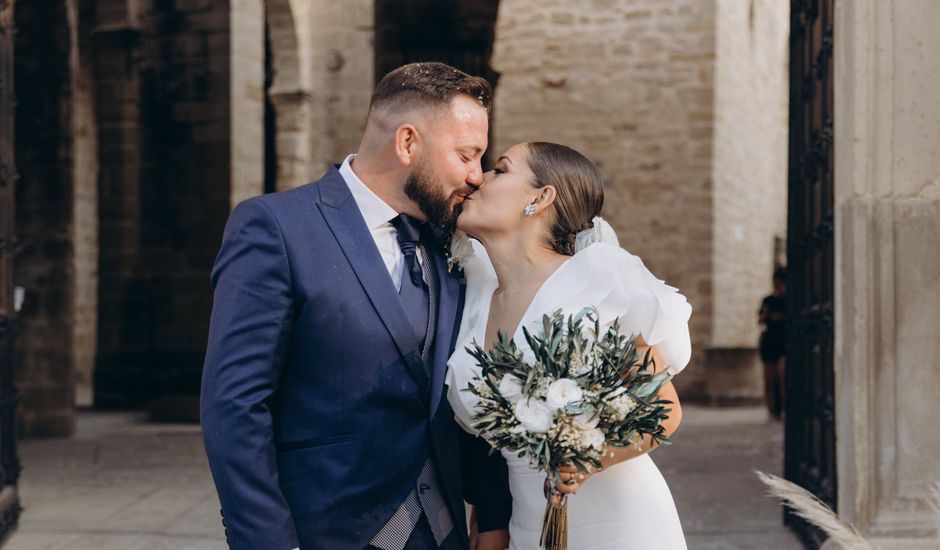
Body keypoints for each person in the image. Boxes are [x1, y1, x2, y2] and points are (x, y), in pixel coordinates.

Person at [201, 62, 512, 550]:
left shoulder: (451, 240)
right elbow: (236, 407)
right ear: (408, 143)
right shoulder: (277, 228)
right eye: (467, 155)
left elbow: (471, 381)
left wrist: (493, 512)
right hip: (329, 531)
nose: (477, 176)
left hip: (445, 531)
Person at [446, 142, 692, 549]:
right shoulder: (475, 297)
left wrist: (587, 460)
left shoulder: (592, 283)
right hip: (529, 530)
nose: (479, 178)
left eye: (500, 169)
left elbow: (662, 410)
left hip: (617, 526)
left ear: (540, 198)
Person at [758, 267, 787, 419]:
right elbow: (760, 320)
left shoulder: (790, 301)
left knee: (782, 377)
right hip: (770, 342)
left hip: (784, 342)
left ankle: (783, 410)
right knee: (769, 380)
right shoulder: (768, 301)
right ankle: (771, 412)